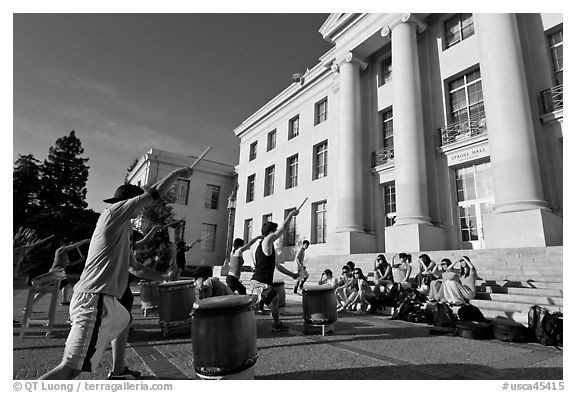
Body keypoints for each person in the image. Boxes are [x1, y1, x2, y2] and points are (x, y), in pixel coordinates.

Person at [39, 165, 194, 380]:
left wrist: (164, 277)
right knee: (70, 368)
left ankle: (119, 370)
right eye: (138, 204)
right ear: (128, 203)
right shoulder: (114, 213)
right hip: (94, 299)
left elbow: (135, 267)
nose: (141, 209)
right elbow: (154, 194)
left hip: (106, 300)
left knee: (124, 319)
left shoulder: (124, 228)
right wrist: (177, 174)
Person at [248, 209, 299, 332]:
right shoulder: (267, 241)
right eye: (274, 232)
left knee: (270, 300)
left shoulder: (266, 247)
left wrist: (292, 274)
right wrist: (290, 215)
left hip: (259, 282)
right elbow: (283, 229)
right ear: (271, 232)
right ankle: (275, 324)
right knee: (270, 299)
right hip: (260, 282)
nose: (276, 234)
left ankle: (276, 323)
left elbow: (277, 266)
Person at [27, 238, 91, 308]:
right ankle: (28, 307)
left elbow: (68, 264)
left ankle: (64, 301)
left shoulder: (65, 254)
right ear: (64, 244)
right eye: (70, 243)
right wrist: (84, 241)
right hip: (55, 273)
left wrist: (79, 261)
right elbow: (74, 246)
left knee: (65, 285)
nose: (71, 245)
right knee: (43, 291)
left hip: (60, 273)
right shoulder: (61, 249)